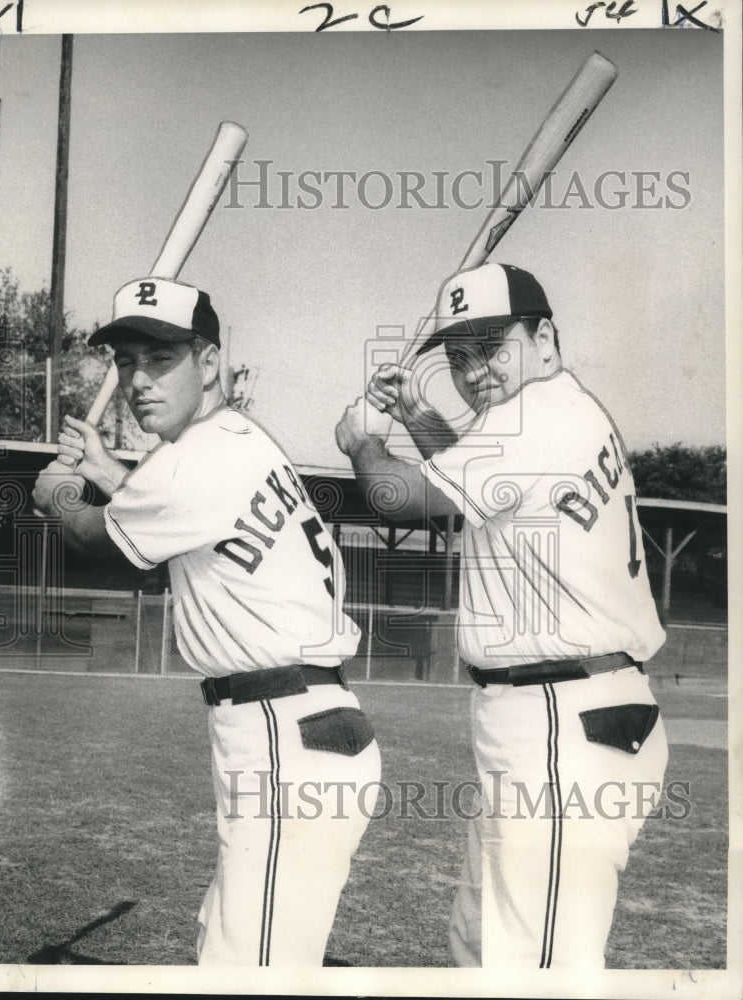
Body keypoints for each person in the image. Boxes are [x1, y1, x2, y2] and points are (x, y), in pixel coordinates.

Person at [33, 276, 381, 966]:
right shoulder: (239, 438)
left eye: (161, 360)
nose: (137, 381)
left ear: (212, 363)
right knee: (237, 948)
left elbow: (98, 539)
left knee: (250, 965)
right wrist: (108, 472)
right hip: (302, 723)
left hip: (284, 734)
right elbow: (176, 516)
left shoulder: (194, 459)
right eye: (126, 361)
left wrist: (60, 496)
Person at [335, 262, 668, 969]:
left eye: (492, 347)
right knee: (488, 944)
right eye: (457, 356)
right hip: (573, 712)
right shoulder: (564, 409)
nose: (473, 369)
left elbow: (401, 497)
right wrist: (413, 416)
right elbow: (478, 478)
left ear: (544, 338)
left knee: (531, 963)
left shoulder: (533, 416)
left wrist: (362, 439)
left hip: (560, 720)